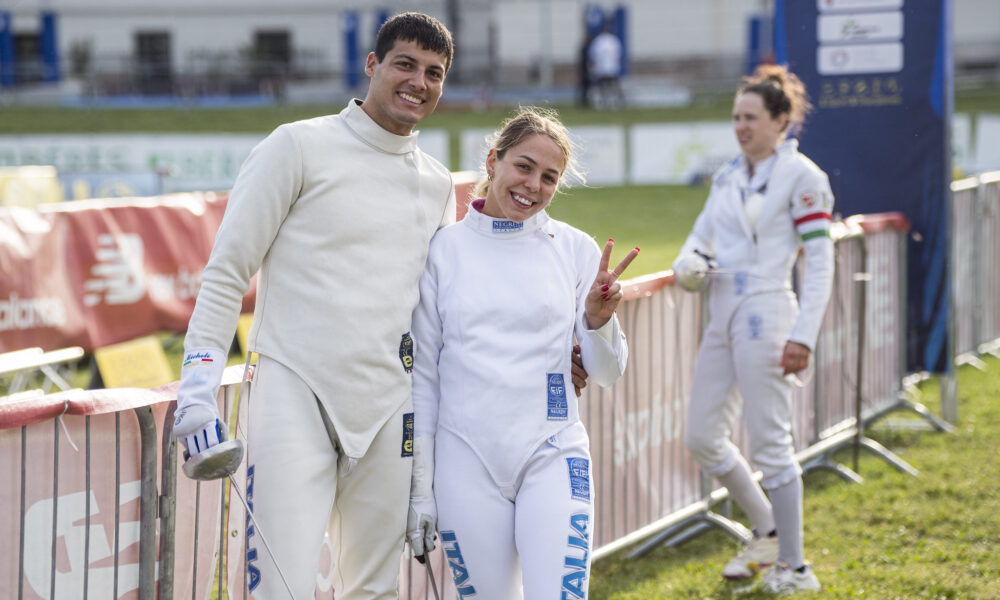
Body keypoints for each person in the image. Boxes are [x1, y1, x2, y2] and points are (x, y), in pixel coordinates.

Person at [171, 13, 458, 600]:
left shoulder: (438, 184)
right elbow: (227, 272)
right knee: (280, 588)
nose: (418, 82)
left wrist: (425, 477)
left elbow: (434, 323)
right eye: (405, 65)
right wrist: (197, 391)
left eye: (434, 73)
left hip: (388, 408)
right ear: (372, 64)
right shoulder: (296, 145)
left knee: (374, 591)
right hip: (292, 390)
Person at [406, 107, 638, 599]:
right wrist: (421, 491)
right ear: (493, 161)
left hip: (553, 451)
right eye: (524, 167)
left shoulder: (575, 250)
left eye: (549, 177)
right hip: (464, 461)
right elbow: (423, 378)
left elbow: (607, 372)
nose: (533, 185)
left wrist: (598, 320)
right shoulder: (443, 251)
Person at [672, 64, 834, 595]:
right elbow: (699, 237)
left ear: (780, 121)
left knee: (770, 443)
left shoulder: (803, 176)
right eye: (736, 117)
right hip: (722, 312)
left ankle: (796, 568)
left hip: (768, 310)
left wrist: (804, 334)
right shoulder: (727, 176)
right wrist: (689, 262)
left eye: (751, 117)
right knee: (701, 436)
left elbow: (821, 262)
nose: (741, 126)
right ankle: (767, 530)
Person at [587, 25, 624, 109]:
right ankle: (617, 101)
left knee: (602, 86)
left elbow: (593, 55)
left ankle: (604, 101)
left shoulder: (597, 41)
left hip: (601, 67)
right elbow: (619, 54)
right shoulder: (614, 40)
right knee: (614, 84)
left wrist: (592, 67)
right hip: (612, 66)